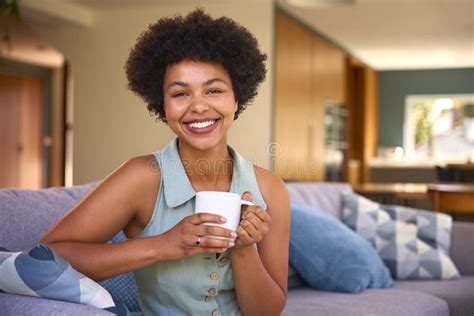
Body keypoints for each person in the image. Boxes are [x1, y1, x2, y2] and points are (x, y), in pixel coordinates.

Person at [41, 9, 290, 316]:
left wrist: (243, 249)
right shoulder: (141, 177)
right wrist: (164, 245)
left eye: (214, 90)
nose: (198, 106)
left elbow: (268, 311)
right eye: (180, 93)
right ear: (163, 104)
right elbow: (47, 257)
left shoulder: (270, 189)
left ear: (236, 98)